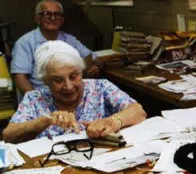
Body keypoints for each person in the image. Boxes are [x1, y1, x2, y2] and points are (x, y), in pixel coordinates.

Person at [2, 40, 146, 143]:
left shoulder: (100, 87)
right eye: (58, 80)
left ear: (82, 72)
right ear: (45, 81)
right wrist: (44, 121)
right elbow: (8, 135)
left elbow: (138, 110)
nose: (68, 86)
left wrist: (113, 121)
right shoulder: (35, 98)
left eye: (73, 76)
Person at [11, 0, 99, 97]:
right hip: (42, 96)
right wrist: (35, 101)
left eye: (57, 14)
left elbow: (90, 56)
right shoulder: (25, 43)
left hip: (69, 93)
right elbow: (20, 78)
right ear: (37, 19)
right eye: (47, 14)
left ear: (62, 20)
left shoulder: (69, 39)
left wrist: (92, 66)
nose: (53, 18)